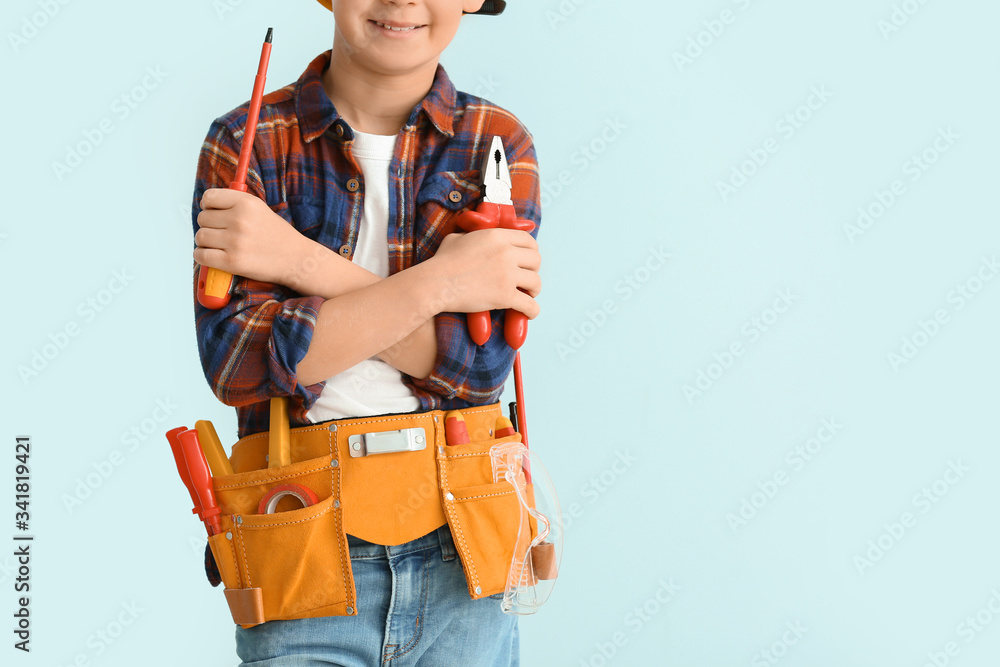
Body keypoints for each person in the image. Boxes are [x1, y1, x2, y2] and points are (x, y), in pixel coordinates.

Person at [189, 0, 541, 664]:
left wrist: (295, 260)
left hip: (464, 542)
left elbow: (478, 368)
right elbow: (238, 364)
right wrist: (442, 287)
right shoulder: (246, 142)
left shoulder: (498, 141)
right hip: (302, 546)